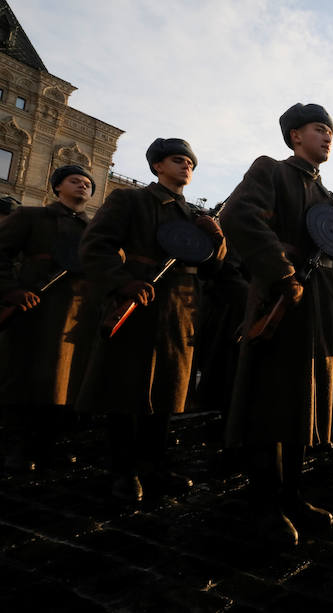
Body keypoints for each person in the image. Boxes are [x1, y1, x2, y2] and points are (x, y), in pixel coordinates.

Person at [221, 103, 333, 547]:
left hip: (317, 304)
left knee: (303, 402)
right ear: (294, 135)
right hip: (279, 299)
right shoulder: (271, 171)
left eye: (331, 132)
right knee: (271, 400)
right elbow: (238, 217)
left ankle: (292, 495)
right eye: (320, 129)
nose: (328, 137)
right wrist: (281, 273)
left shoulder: (327, 197)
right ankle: (263, 504)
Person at [78, 140, 226, 502]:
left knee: (166, 391)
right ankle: (123, 472)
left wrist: (217, 239)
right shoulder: (129, 200)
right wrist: (122, 281)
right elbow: (95, 246)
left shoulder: (193, 215)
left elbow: (212, 267)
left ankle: (154, 465)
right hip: (136, 305)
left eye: (191, 162)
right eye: (178, 160)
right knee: (127, 391)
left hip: (178, 311)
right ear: (157, 165)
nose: (186, 166)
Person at [0, 166, 98, 472]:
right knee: (26, 376)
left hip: (78, 313)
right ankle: (18, 447)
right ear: (57, 187)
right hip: (35, 308)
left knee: (64, 382)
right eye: (75, 181)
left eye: (87, 184)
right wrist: (11, 290)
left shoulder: (93, 230)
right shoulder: (31, 217)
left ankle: (48, 446)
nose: (82, 186)